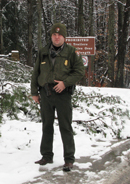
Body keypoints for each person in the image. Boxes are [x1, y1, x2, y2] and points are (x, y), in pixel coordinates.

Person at [31, 23, 85, 172]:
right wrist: (34, 92)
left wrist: (65, 83)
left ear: (64, 36)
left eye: (59, 35)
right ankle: (46, 155)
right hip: (46, 94)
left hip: (63, 95)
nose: (56, 37)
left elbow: (80, 71)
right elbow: (36, 73)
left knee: (65, 127)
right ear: (51, 36)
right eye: (54, 34)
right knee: (46, 126)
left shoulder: (72, 52)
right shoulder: (43, 52)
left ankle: (69, 159)